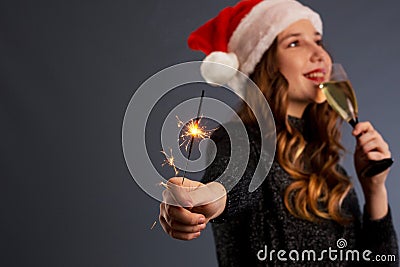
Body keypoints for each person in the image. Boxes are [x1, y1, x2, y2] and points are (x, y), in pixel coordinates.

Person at [158, 0, 399, 266]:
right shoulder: (241, 139)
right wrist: (204, 198)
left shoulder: (324, 161)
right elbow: (231, 184)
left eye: (317, 41)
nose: (319, 54)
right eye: (294, 43)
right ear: (266, 66)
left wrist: (375, 191)